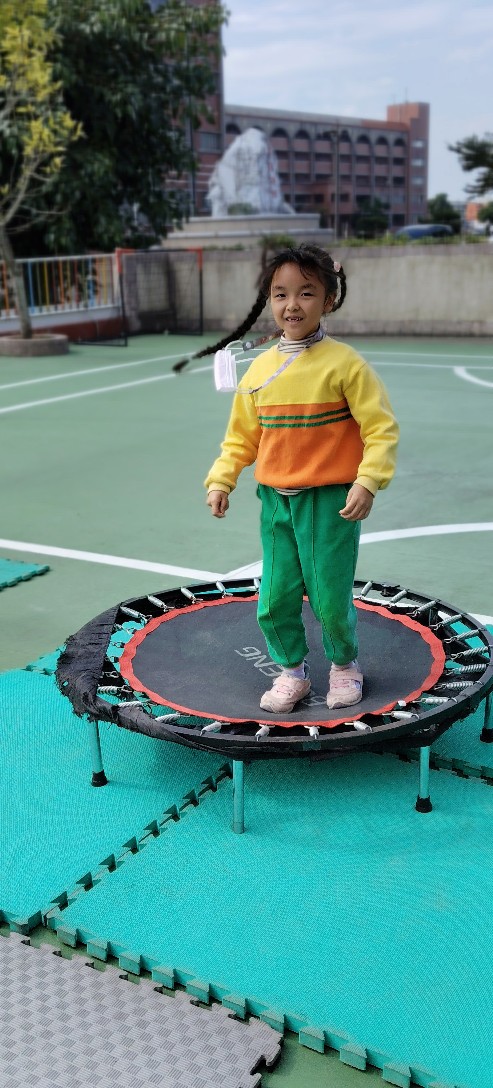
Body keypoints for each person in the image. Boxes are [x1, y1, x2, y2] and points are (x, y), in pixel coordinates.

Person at [202, 244, 399, 714]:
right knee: (274, 598)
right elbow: (241, 437)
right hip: (276, 503)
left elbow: (380, 429)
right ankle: (292, 671)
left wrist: (368, 480)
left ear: (328, 300)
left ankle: (344, 665)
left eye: (306, 293)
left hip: (330, 504)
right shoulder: (260, 370)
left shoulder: (345, 364)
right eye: (281, 294)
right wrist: (222, 479)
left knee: (329, 597)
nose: (292, 305)